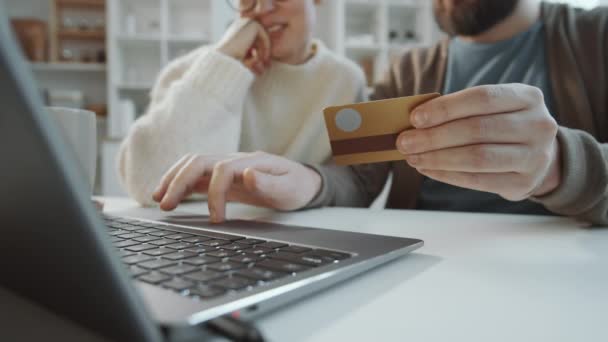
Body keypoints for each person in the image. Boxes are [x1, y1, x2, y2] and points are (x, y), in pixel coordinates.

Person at [152, 0, 608, 226]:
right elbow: (358, 178)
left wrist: (562, 165)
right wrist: (304, 181)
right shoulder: (409, 68)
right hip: (425, 264)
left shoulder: (596, 35)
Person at [118, 0, 366, 205]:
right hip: (204, 236)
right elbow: (147, 185)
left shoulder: (345, 81)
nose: (262, 8)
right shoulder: (189, 72)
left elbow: (354, 191)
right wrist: (222, 62)